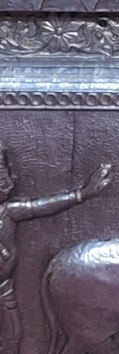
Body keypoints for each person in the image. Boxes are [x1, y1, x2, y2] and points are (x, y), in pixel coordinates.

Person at [0, 149, 111, 351]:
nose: (6, 182)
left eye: (4, 174)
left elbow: (41, 206)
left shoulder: (8, 212)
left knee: (12, 339)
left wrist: (81, 194)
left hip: (4, 291)